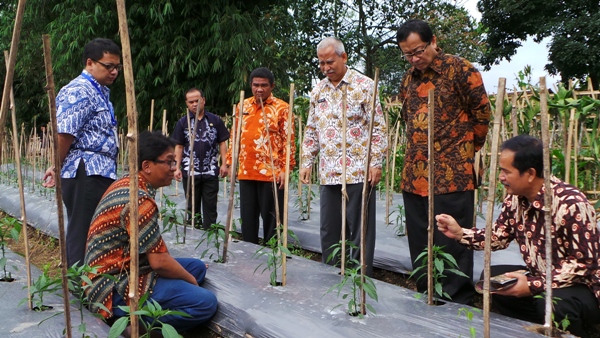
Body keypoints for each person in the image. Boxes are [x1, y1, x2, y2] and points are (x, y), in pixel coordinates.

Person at [436, 135, 600, 337]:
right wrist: (460, 233)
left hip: (583, 287)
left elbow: (585, 265)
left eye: (506, 172)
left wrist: (532, 285)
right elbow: (498, 236)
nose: (501, 177)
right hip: (542, 277)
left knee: (552, 304)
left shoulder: (571, 204)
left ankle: (578, 331)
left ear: (530, 173)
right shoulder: (515, 200)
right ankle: (536, 325)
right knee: (493, 279)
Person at [84, 131, 218, 332]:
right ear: (147, 166)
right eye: (169, 162)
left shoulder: (126, 184)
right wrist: (190, 282)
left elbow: (154, 255)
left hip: (127, 268)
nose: (174, 169)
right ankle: (136, 327)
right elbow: (159, 262)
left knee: (197, 267)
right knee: (205, 302)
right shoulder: (138, 200)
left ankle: (157, 301)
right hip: (111, 287)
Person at [397, 19, 491, 303]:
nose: (415, 58)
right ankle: (427, 292)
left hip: (453, 174)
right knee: (419, 238)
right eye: (408, 54)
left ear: (433, 41)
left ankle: (456, 300)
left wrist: (462, 151)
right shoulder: (407, 79)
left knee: (452, 239)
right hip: (415, 174)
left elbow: (482, 115)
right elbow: (407, 119)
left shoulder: (462, 70)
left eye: (419, 51)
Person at [300, 37, 387, 277]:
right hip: (329, 171)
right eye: (321, 63)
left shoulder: (365, 85)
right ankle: (331, 276)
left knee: (360, 229)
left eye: (330, 61)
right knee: (329, 228)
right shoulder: (318, 90)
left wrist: (375, 163)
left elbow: (378, 127)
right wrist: (307, 161)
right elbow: (311, 128)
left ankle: (361, 278)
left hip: (359, 171)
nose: (326, 67)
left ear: (344, 57)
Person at [42, 38, 122, 267]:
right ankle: (78, 288)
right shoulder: (79, 90)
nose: (114, 72)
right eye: (109, 66)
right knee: (83, 230)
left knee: (96, 229)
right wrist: (56, 166)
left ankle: (90, 283)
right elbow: (64, 135)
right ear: (90, 63)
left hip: (98, 172)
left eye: (117, 67)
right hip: (86, 172)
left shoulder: (100, 91)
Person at [226, 67, 295, 244]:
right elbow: (235, 136)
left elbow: (289, 141)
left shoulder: (282, 108)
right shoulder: (243, 106)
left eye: (264, 85)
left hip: (271, 173)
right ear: (251, 85)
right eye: (256, 85)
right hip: (246, 170)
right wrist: (230, 162)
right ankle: (249, 257)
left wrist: (285, 169)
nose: (259, 89)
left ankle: (272, 257)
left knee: (272, 219)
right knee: (248, 218)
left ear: (272, 86)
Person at [172, 88, 230, 229]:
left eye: (197, 101)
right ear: (186, 103)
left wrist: (225, 163)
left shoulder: (215, 120)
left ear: (203, 100)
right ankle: (194, 234)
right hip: (190, 171)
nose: (194, 104)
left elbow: (222, 142)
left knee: (210, 206)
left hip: (210, 170)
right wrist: (176, 167)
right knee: (192, 207)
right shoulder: (182, 123)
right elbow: (179, 146)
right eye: (190, 102)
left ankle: (210, 233)